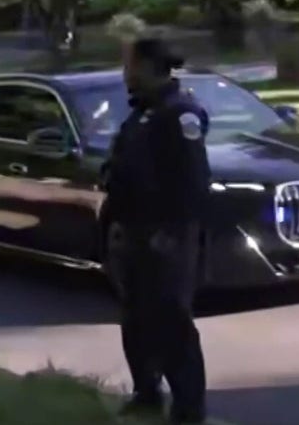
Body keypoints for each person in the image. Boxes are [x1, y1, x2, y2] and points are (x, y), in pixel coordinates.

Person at [102, 37, 211, 424]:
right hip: (133, 234)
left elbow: (193, 182)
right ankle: (146, 392)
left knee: (172, 323)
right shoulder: (143, 113)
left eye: (129, 64)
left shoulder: (179, 114)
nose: (124, 73)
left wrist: (171, 234)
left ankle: (189, 409)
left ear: (149, 66)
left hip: (167, 238)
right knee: (136, 318)